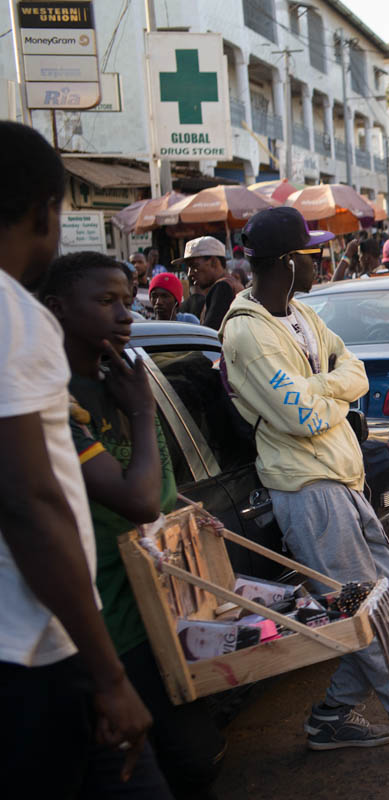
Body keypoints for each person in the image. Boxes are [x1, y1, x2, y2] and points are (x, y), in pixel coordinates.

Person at [220, 206, 389, 761]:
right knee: (366, 610)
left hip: (342, 477)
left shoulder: (298, 314)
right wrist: (332, 392)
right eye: (312, 253)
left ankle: (332, 716)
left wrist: (323, 388)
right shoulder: (248, 332)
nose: (321, 261)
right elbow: (302, 417)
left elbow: (356, 371)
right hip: (307, 488)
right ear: (287, 262)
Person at [0, 120, 158, 796]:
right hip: (35, 648)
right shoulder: (14, 316)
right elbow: (31, 504)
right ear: (45, 212)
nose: (122, 315)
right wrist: (109, 676)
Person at [42, 251, 226, 798]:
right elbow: (140, 500)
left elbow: (157, 492)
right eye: (106, 301)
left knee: (198, 759)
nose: (126, 315)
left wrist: (185, 510)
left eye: (127, 300)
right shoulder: (53, 403)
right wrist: (144, 413)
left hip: (155, 607)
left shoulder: (118, 381)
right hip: (101, 625)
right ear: (56, 308)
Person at [176, 236, 240, 329]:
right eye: (188, 268)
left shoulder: (223, 287)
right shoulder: (230, 283)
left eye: (194, 266)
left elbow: (210, 333)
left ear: (214, 262)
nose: (190, 274)